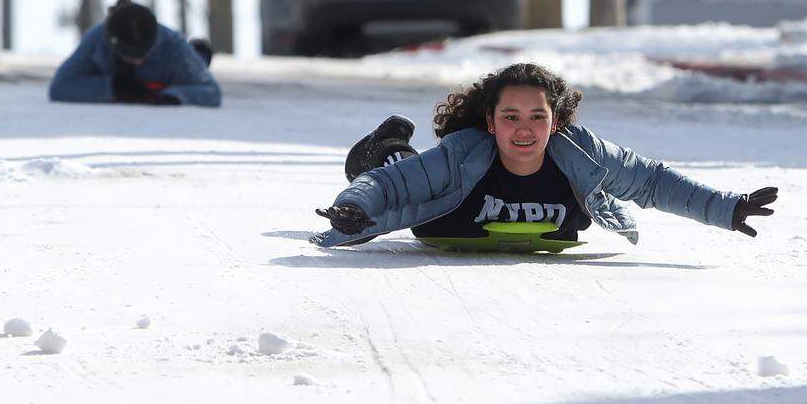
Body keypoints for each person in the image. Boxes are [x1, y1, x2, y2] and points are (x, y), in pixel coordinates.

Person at [313, 62, 776, 248]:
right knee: (399, 168)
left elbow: (650, 181)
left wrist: (726, 208)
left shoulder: (581, 152)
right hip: (435, 211)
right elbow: (390, 188)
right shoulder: (461, 154)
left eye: (537, 116)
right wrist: (354, 209)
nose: (524, 129)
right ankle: (387, 146)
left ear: (556, 121)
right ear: (490, 122)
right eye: (510, 117)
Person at [48, 0, 221, 107]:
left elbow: (210, 91)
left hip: (170, 77)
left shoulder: (173, 45)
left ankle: (199, 55)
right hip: (116, 77)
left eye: (144, 56)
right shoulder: (96, 39)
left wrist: (173, 97)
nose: (138, 62)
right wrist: (113, 88)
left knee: (195, 64)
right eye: (131, 57)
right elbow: (60, 87)